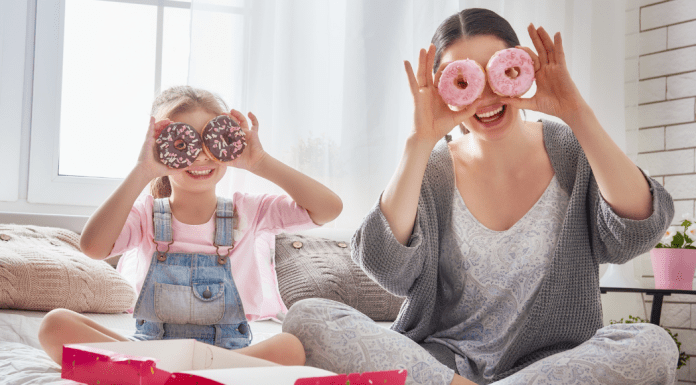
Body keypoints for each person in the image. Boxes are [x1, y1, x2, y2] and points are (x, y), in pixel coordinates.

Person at [282, 8, 678, 385]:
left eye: (499, 71)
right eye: (465, 80)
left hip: (550, 367)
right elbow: (387, 267)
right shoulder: (433, 169)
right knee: (308, 316)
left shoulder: (570, 150)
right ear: (441, 90)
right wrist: (419, 142)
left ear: (521, 66)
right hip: (442, 363)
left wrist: (576, 112)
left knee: (653, 345)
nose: (487, 97)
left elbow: (637, 231)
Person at [38, 85, 343, 366]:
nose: (198, 156)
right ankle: (189, 378)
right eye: (183, 143)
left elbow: (329, 209)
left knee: (289, 347)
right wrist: (143, 170)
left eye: (211, 142)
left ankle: (168, 378)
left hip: (225, 355)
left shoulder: (250, 211)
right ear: (159, 148)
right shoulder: (147, 215)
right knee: (56, 325)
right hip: (152, 351)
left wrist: (260, 161)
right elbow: (93, 247)